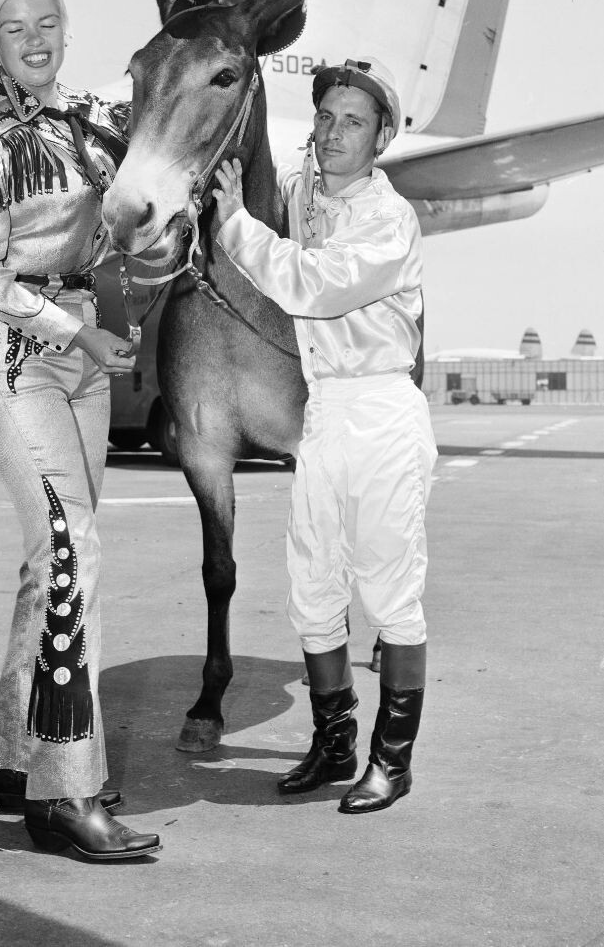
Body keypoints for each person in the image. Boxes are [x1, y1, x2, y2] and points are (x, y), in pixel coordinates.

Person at [0, 0, 161, 860]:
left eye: (45, 23)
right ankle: (64, 793)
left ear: (65, 28)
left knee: (53, 560)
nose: (33, 40)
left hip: (83, 358)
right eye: (12, 27)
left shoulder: (99, 123)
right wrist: (77, 331)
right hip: (15, 353)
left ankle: (16, 757)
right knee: (73, 552)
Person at [213, 58, 437, 814]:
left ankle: (391, 761)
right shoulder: (305, 190)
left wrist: (235, 225)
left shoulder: (387, 219)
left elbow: (309, 284)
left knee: (390, 594)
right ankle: (334, 743)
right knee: (312, 590)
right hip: (325, 414)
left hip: (380, 411)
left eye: (354, 122)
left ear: (380, 139)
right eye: (325, 116)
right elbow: (262, 179)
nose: (334, 132)